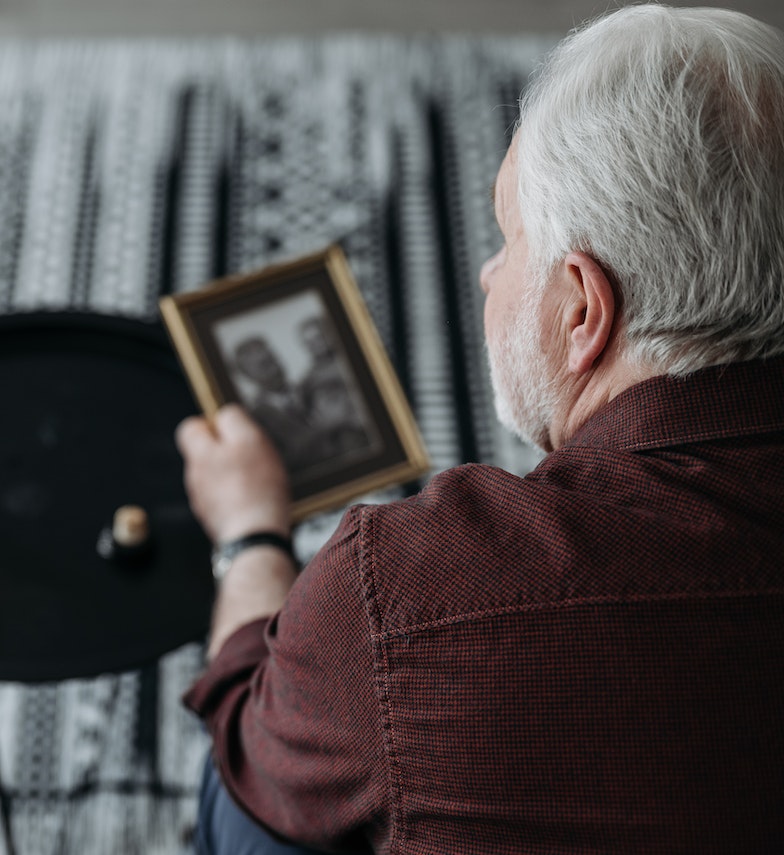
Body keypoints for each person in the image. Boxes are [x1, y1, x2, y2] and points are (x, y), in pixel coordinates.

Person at [175, 5, 784, 854]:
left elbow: (249, 757)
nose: (489, 272)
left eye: (508, 238)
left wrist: (249, 540)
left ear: (582, 310)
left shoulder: (404, 583)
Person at [229, 336, 325, 471]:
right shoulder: (255, 418)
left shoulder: (311, 388)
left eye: (274, 359)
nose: (276, 368)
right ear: (248, 376)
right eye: (264, 365)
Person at [295, 316, 373, 461]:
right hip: (347, 436)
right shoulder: (308, 381)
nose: (316, 344)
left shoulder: (360, 356)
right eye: (309, 342)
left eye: (319, 337)